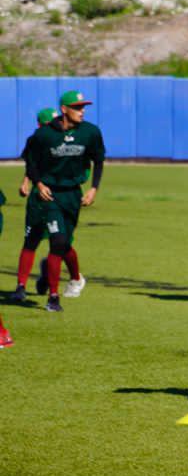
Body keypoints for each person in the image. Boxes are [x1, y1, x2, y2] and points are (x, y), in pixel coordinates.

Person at [16, 90, 104, 312]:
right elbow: (31, 161)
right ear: (64, 109)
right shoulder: (45, 135)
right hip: (50, 194)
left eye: (83, 107)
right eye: (77, 107)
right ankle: (53, 297)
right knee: (56, 241)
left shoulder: (90, 132)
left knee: (64, 243)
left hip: (73, 194)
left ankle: (71, 278)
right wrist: (38, 183)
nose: (82, 111)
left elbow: (99, 160)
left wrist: (93, 188)